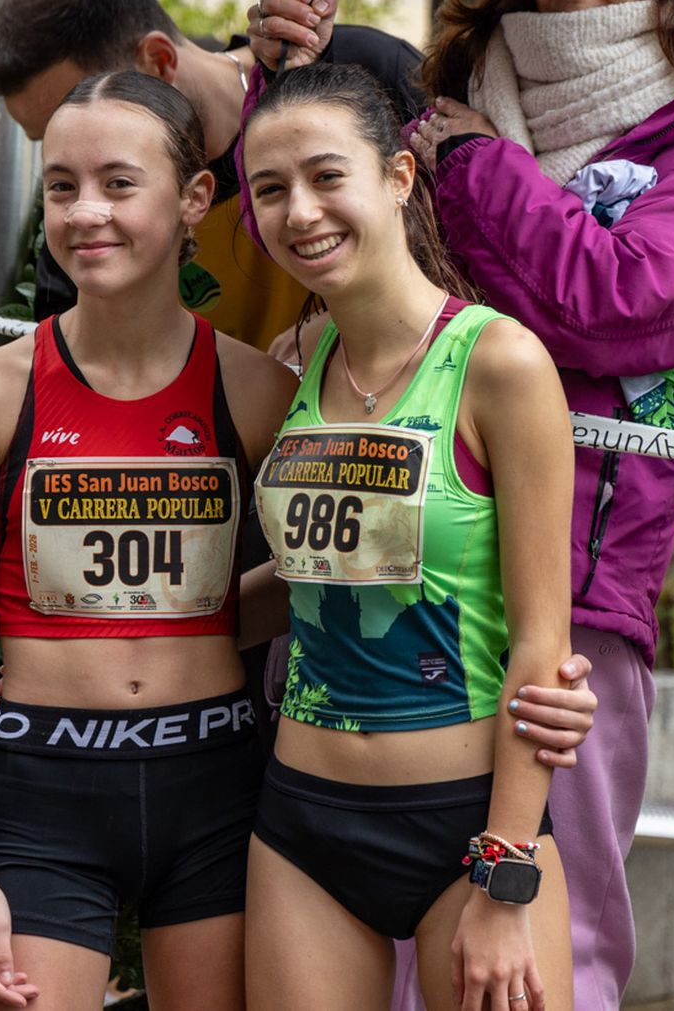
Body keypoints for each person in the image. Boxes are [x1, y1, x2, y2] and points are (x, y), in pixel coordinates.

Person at [246, 0, 674, 1002]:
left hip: (566, 612)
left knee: (552, 957)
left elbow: (608, 299)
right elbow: (315, 205)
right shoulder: (431, 118)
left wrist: (482, 164)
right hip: (355, 605)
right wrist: (284, 74)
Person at [0, 70, 298, 1009]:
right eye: (61, 185)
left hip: (217, 787)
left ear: (195, 196)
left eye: (120, 183)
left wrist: (192, 623)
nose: (88, 212)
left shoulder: (258, 394)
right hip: (43, 801)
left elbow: (313, 584)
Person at [240, 61, 575, 1011]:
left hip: (469, 822)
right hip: (301, 822)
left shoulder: (499, 362)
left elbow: (542, 647)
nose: (300, 211)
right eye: (271, 190)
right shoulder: (293, 365)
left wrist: (506, 875)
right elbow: (307, 581)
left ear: (397, 175)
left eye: (325, 175)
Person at [0, 0, 425, 387]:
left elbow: (481, 266)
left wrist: (353, 319)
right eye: (60, 165)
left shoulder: (361, 72)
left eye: (93, 103)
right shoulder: (83, 228)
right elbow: (71, 400)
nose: (85, 206)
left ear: (158, 61)